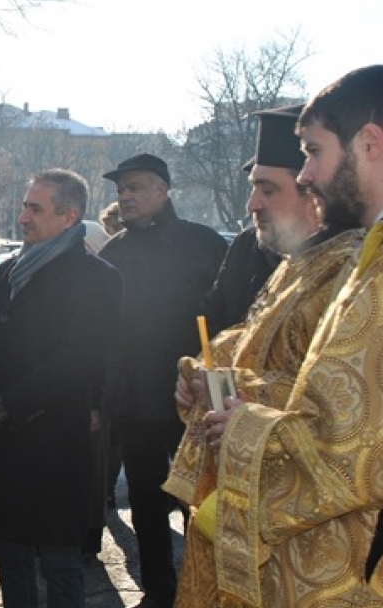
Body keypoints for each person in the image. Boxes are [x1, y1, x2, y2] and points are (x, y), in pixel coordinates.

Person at [163, 103, 362, 608]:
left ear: (314, 194)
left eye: (268, 189)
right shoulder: (296, 262)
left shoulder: (355, 269)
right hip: (244, 517)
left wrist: (242, 400)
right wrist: (201, 377)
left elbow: (344, 415)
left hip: (309, 546)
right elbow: (257, 343)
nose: (252, 203)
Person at [200, 65, 383, 607]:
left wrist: (249, 421)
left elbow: (357, 447)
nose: (306, 175)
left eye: (314, 151)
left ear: (369, 143)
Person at [0, 169, 122, 608]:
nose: (22, 216)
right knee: (8, 552)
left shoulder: (96, 277)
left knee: (59, 559)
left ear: (69, 218)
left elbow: (79, 358)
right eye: (24, 205)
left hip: (51, 444)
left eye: (35, 208)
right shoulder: (9, 269)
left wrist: (11, 404)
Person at [98, 153, 227, 608]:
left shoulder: (204, 243)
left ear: (162, 189)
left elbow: (230, 319)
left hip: (195, 398)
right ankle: (158, 588)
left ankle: (200, 587)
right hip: (135, 400)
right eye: (120, 191)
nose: (125, 197)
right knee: (147, 500)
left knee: (201, 498)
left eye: (134, 188)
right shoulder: (115, 251)